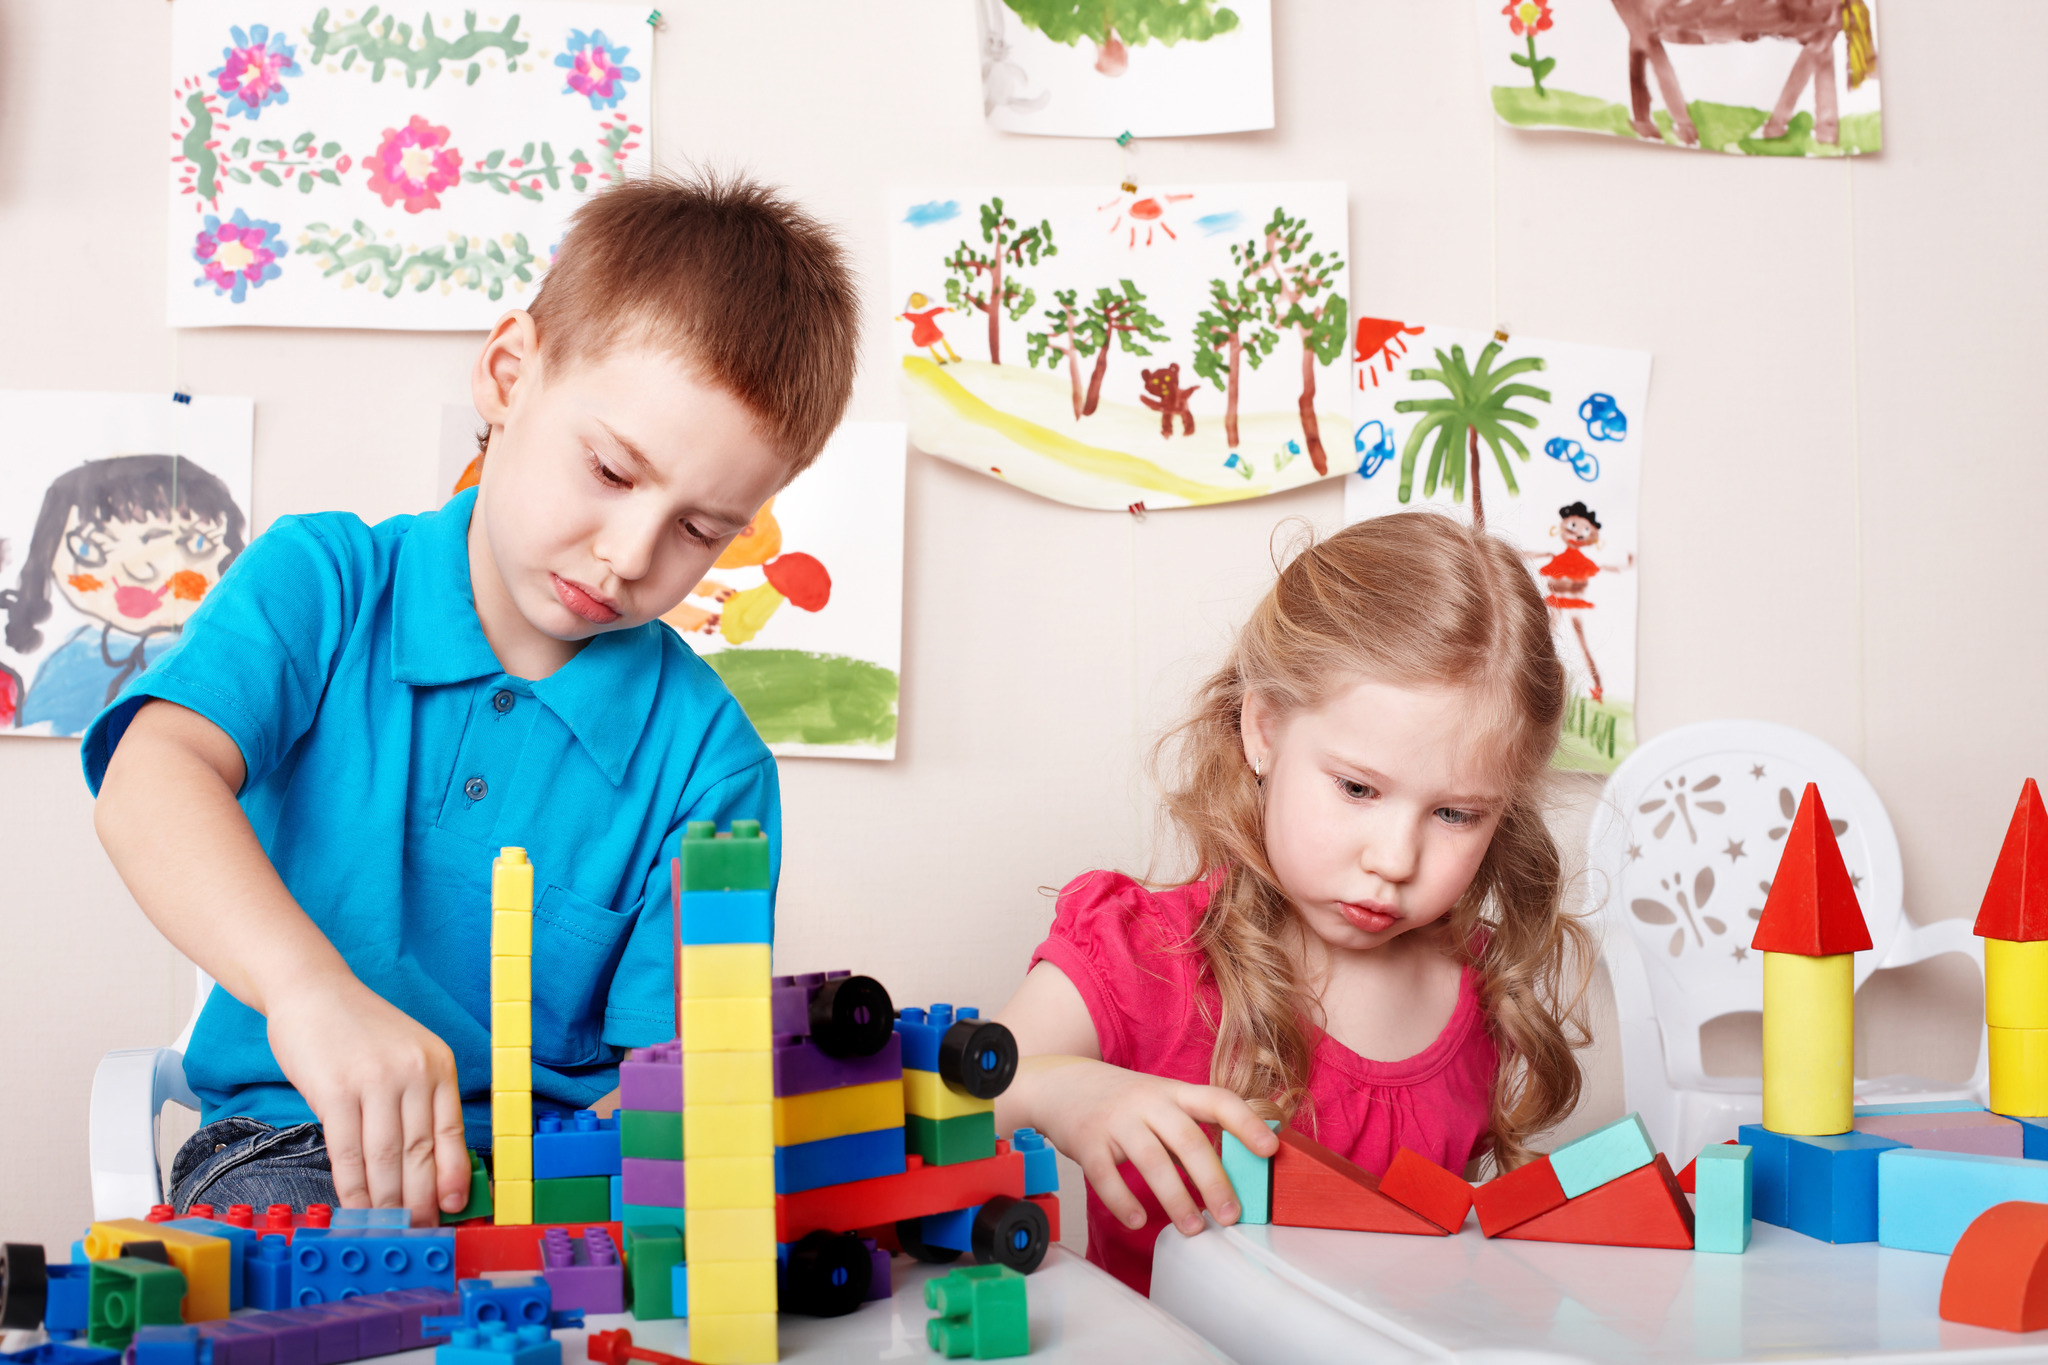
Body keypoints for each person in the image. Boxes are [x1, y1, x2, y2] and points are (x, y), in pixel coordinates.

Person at [83, 174, 860, 1223]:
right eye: (611, 471)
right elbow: (148, 780)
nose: (631, 555)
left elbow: (666, 1088)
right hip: (299, 1142)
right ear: (508, 376)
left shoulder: (711, 770)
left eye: (699, 530)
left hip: (567, 1179)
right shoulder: (324, 584)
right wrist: (311, 993)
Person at [993, 512, 1593, 1294]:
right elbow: (934, 1100)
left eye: (1455, 813)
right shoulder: (1143, 953)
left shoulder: (1480, 992)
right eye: (1358, 788)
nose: (1394, 859)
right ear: (1264, 729)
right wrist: (1050, 1088)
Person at [2, 454, 245, 735]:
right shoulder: (74, 655)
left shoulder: (211, 662)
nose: (139, 571)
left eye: (193, 544)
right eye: (90, 549)